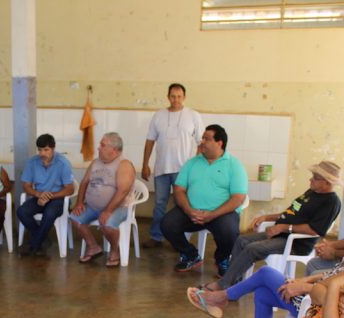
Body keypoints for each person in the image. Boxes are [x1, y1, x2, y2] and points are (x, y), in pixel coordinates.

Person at [188, 182, 344, 318]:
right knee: (261, 291)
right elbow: (341, 274)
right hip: (320, 292)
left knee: (266, 274)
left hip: (323, 306)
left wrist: (305, 287)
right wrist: (305, 280)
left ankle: (223, 297)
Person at [197, 161, 342, 291]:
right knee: (241, 241)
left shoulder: (331, 202)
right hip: (281, 234)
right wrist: (267, 217)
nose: (310, 179)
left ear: (327, 182)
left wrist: (283, 228)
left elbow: (314, 230)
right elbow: (290, 213)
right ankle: (233, 283)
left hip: (296, 242)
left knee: (252, 248)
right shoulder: (311, 192)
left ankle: (223, 285)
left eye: (315, 178)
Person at [159, 124, 248, 273]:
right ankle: (190, 255)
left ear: (219, 143)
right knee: (167, 224)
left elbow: (238, 198)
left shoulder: (234, 165)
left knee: (229, 231)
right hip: (191, 211)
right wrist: (188, 210)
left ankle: (222, 259)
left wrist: (212, 214)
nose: (202, 142)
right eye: (202, 139)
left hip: (220, 214)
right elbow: (179, 190)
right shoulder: (192, 163)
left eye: (207, 139)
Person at [141, 83, 203, 249]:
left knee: (181, 206)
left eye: (179, 96)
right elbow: (149, 141)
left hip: (183, 171)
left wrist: (194, 166)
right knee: (159, 204)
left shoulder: (193, 116)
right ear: (168, 97)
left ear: (184, 97)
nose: (176, 100)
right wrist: (145, 164)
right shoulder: (158, 115)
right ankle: (156, 237)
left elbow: (201, 143)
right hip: (161, 169)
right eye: (173, 96)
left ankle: (179, 241)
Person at [71, 133, 136, 267]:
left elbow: (122, 191)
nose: (98, 148)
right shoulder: (96, 162)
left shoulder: (124, 165)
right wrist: (79, 203)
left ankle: (114, 251)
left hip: (118, 207)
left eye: (102, 145)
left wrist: (108, 210)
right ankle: (93, 247)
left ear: (115, 150)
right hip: (93, 206)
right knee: (75, 218)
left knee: (107, 225)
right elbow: (84, 183)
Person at [16, 133, 75, 258]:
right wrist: (38, 194)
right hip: (39, 196)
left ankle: (33, 244)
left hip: (58, 199)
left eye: (46, 150)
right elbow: (26, 186)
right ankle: (43, 240)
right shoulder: (32, 162)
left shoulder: (63, 163)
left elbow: (70, 189)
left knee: (49, 213)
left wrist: (49, 196)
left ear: (53, 149)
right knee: (22, 211)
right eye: (40, 150)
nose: (42, 153)